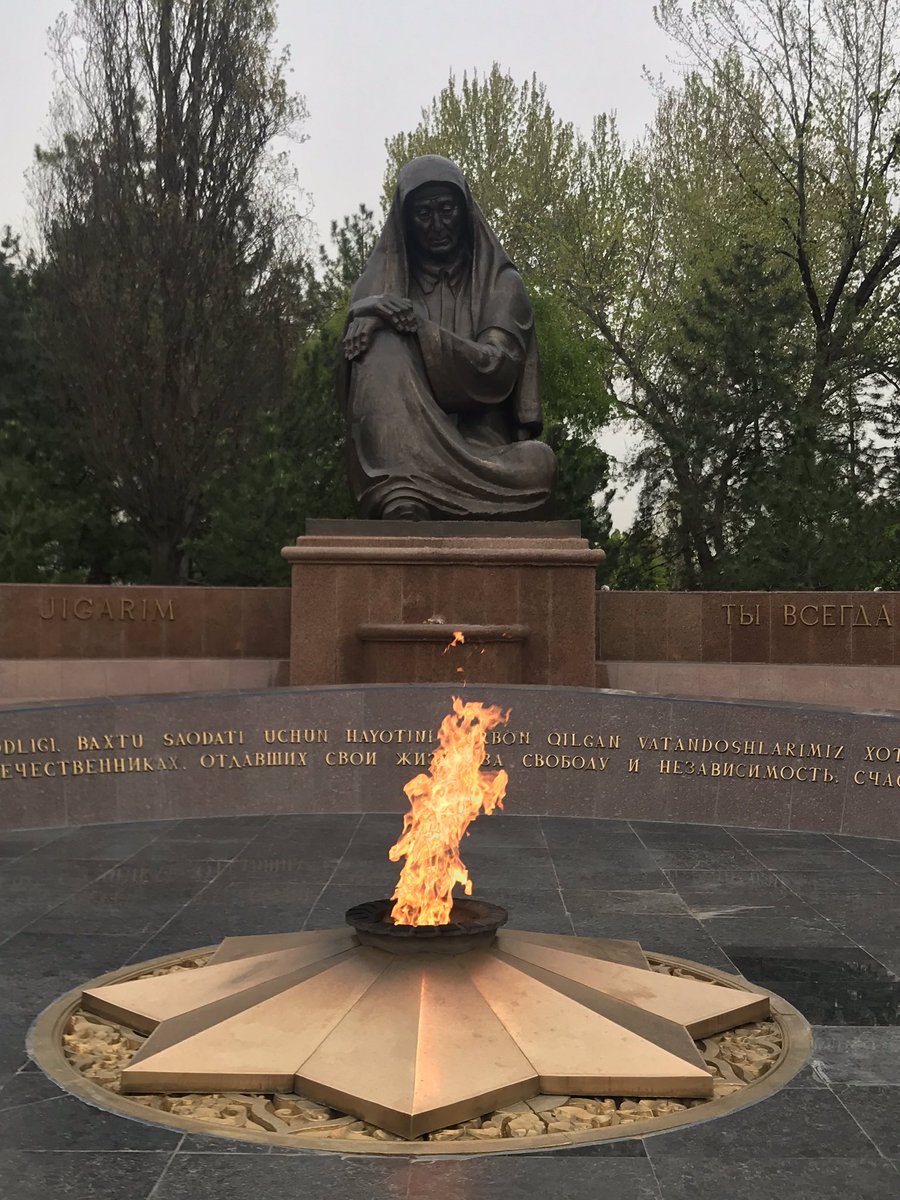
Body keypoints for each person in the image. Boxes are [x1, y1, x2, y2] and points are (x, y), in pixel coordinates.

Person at [339, 155, 556, 521]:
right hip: (401, 453)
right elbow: (352, 393)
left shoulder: (502, 284)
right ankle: (404, 492)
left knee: (540, 464)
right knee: (380, 344)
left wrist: (415, 326)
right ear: (405, 220)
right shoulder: (377, 292)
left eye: (447, 210)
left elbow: (495, 368)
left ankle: (414, 489)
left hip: (482, 454)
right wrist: (369, 312)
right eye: (423, 214)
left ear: (464, 211)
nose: (437, 225)